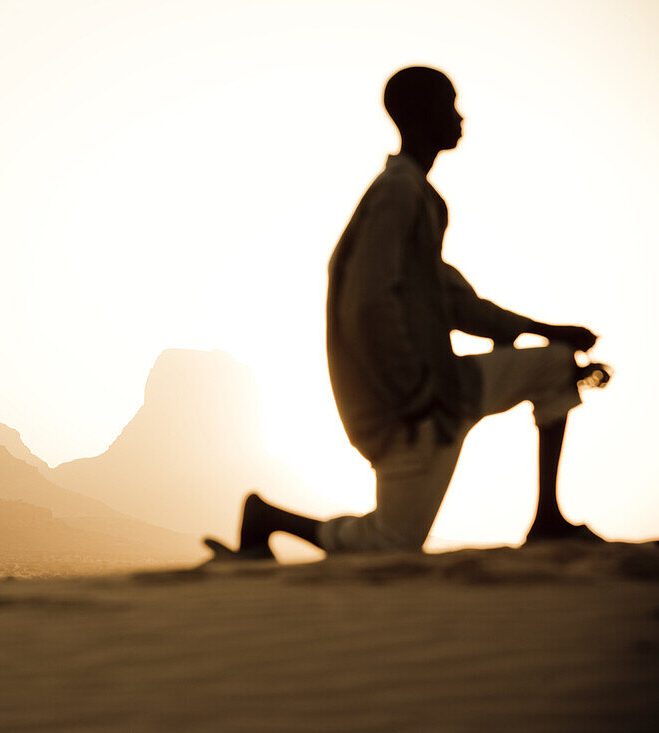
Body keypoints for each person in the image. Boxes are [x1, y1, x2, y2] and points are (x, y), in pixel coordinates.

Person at [216, 66, 611, 558]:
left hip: (443, 390)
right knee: (392, 543)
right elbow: (368, 303)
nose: (460, 117)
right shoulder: (397, 194)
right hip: (408, 407)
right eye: (450, 104)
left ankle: (548, 520)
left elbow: (453, 303)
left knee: (552, 364)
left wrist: (546, 330)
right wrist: (416, 392)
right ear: (424, 115)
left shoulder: (420, 198)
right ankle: (267, 519)